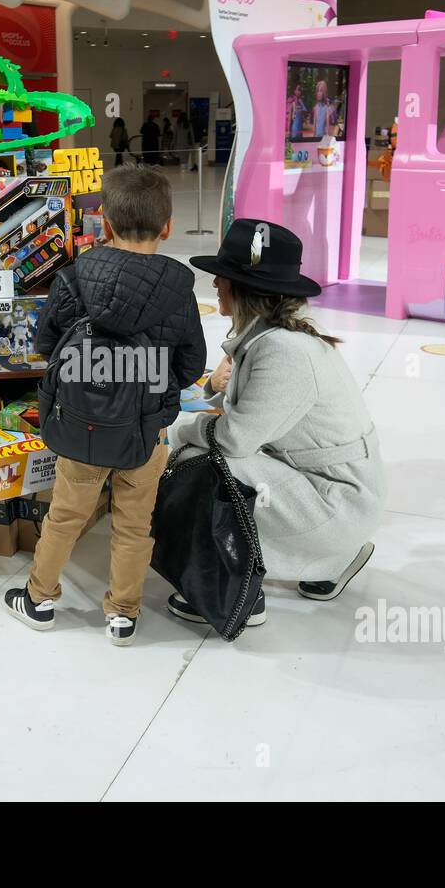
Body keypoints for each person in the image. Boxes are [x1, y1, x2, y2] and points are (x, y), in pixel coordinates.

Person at [4, 165, 207, 647]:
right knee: (135, 526)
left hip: (80, 426)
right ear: (167, 227)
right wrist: (152, 394)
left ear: (105, 225)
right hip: (145, 434)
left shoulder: (72, 279)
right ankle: (122, 616)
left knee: (64, 517)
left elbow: (46, 345)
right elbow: (190, 363)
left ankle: (40, 600)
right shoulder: (179, 292)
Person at [166, 219, 384, 624]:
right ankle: (333, 559)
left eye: (222, 278)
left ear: (242, 288)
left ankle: (238, 589)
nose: (215, 286)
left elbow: (235, 440)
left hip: (337, 503)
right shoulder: (280, 336)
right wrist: (212, 388)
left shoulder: (282, 352)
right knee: (211, 452)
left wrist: (173, 429)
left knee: (200, 460)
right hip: (335, 487)